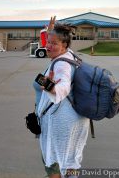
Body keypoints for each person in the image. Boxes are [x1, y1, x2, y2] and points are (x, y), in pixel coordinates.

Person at [33, 18, 89, 178]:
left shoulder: (61, 65)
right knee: (68, 164)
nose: (48, 46)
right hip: (71, 123)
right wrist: (50, 30)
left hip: (61, 127)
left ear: (64, 45)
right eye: (48, 41)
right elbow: (49, 42)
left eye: (53, 43)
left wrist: (50, 87)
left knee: (55, 165)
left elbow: (63, 87)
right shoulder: (67, 55)